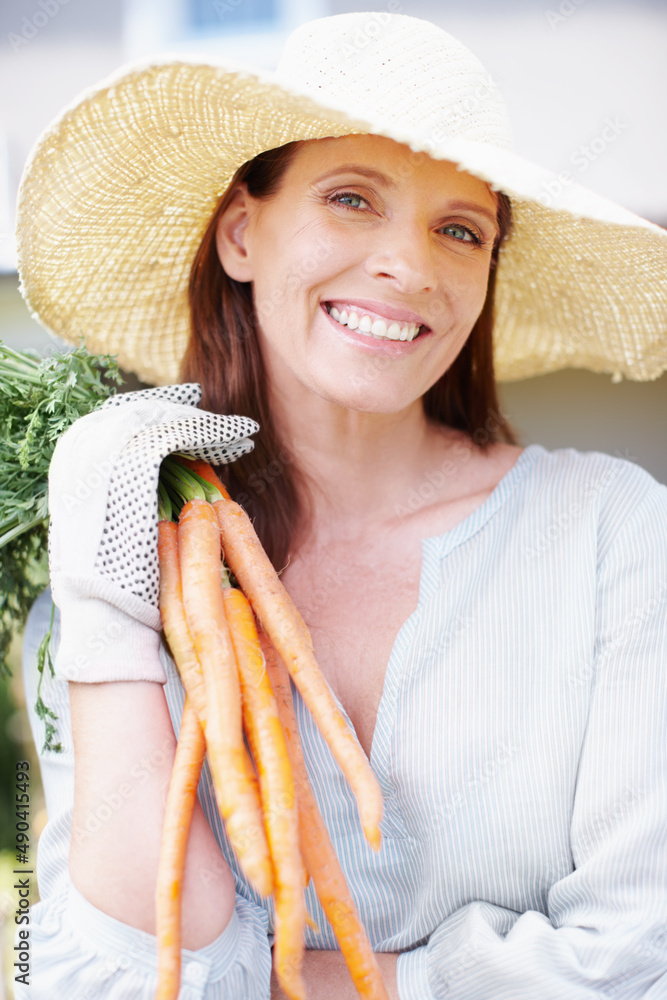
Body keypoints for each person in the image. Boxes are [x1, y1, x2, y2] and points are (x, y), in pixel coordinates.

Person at [15, 12, 667, 1000]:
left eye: (459, 228)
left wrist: (291, 984)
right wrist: (106, 612)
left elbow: (636, 957)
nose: (408, 266)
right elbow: (120, 976)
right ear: (241, 231)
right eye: (352, 198)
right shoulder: (128, 548)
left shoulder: (612, 533)